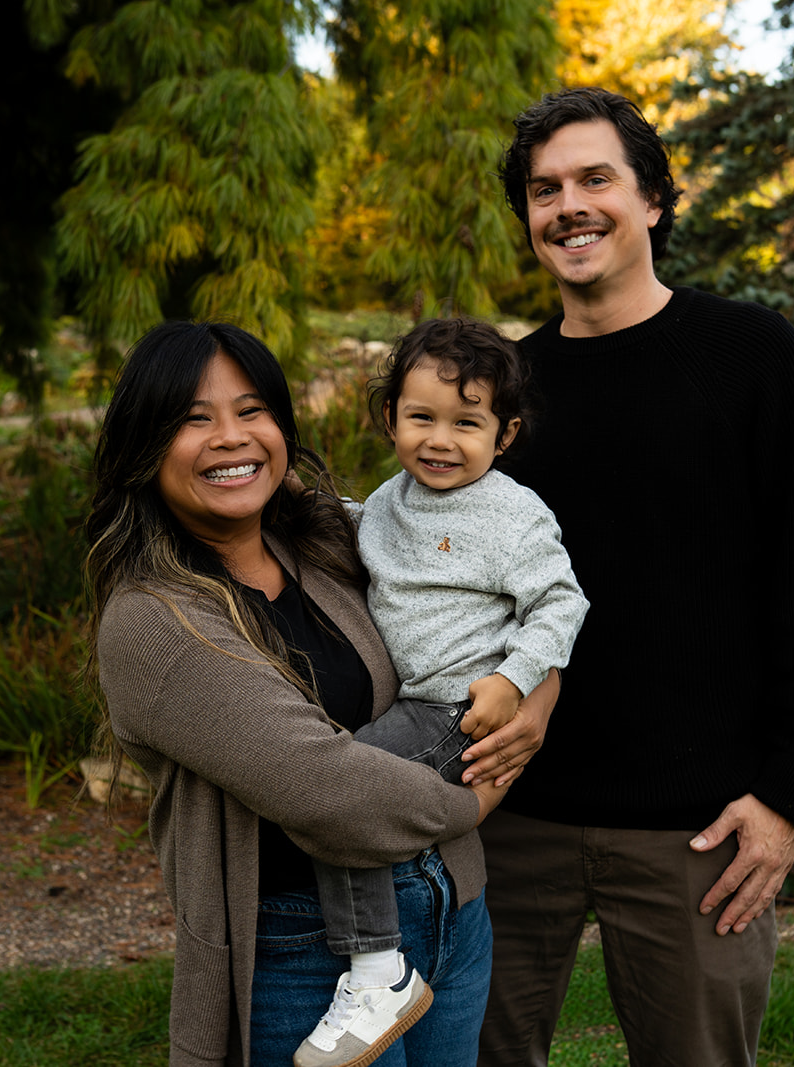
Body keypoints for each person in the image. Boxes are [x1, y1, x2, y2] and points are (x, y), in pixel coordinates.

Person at [476, 87, 794, 1066]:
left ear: (651, 199)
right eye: (544, 190)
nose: (569, 206)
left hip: (697, 828)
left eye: (594, 179)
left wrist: (789, 795)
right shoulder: (501, 389)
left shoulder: (751, 356)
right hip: (508, 814)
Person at [86, 320, 556, 1067]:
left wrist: (536, 690)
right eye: (193, 418)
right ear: (145, 444)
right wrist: (482, 794)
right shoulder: (154, 622)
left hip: (450, 911)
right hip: (307, 952)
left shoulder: (322, 543)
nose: (231, 437)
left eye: (251, 410)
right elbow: (328, 791)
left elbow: (494, 605)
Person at [297, 318, 590, 1066]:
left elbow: (561, 604)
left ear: (504, 433)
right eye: (421, 417)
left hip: (459, 709)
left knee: (339, 790)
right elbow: (361, 531)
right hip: (411, 706)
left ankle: (377, 970)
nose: (440, 440)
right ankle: (380, 960)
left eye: (467, 423)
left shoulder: (511, 514)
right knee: (343, 790)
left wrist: (513, 679)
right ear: (390, 416)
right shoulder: (390, 501)